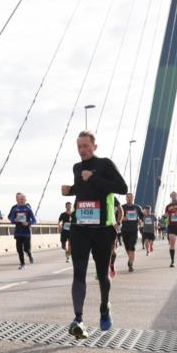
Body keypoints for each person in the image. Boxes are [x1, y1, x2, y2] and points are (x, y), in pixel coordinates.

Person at [61, 131, 128, 339]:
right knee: (78, 272)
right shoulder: (76, 167)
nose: (82, 150)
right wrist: (70, 190)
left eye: (86, 146)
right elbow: (83, 189)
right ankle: (78, 319)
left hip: (102, 230)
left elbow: (122, 188)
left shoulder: (105, 164)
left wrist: (96, 177)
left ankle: (104, 307)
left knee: (102, 274)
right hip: (80, 228)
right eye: (79, 147)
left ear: (94, 146)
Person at [8, 193, 36, 269]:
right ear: (18, 200)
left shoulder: (28, 209)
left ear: (25, 200)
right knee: (19, 249)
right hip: (18, 232)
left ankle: (29, 254)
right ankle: (22, 264)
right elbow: (12, 220)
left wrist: (28, 223)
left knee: (26, 249)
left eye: (23, 199)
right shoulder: (15, 209)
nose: (21, 201)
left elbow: (34, 220)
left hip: (26, 232)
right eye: (20, 199)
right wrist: (15, 220)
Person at [120, 193, 144, 272]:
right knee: (127, 247)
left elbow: (142, 217)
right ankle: (130, 259)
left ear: (133, 198)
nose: (130, 199)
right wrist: (122, 218)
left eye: (131, 197)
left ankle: (130, 264)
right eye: (128, 197)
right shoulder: (122, 207)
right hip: (124, 230)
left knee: (132, 246)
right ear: (126, 198)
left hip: (134, 230)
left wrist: (140, 221)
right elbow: (117, 217)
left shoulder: (137, 207)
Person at [108, 194, 124, 279]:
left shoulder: (111, 197)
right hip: (97, 228)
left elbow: (120, 209)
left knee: (113, 250)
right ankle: (99, 271)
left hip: (111, 227)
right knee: (98, 251)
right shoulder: (93, 194)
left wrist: (118, 222)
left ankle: (112, 264)